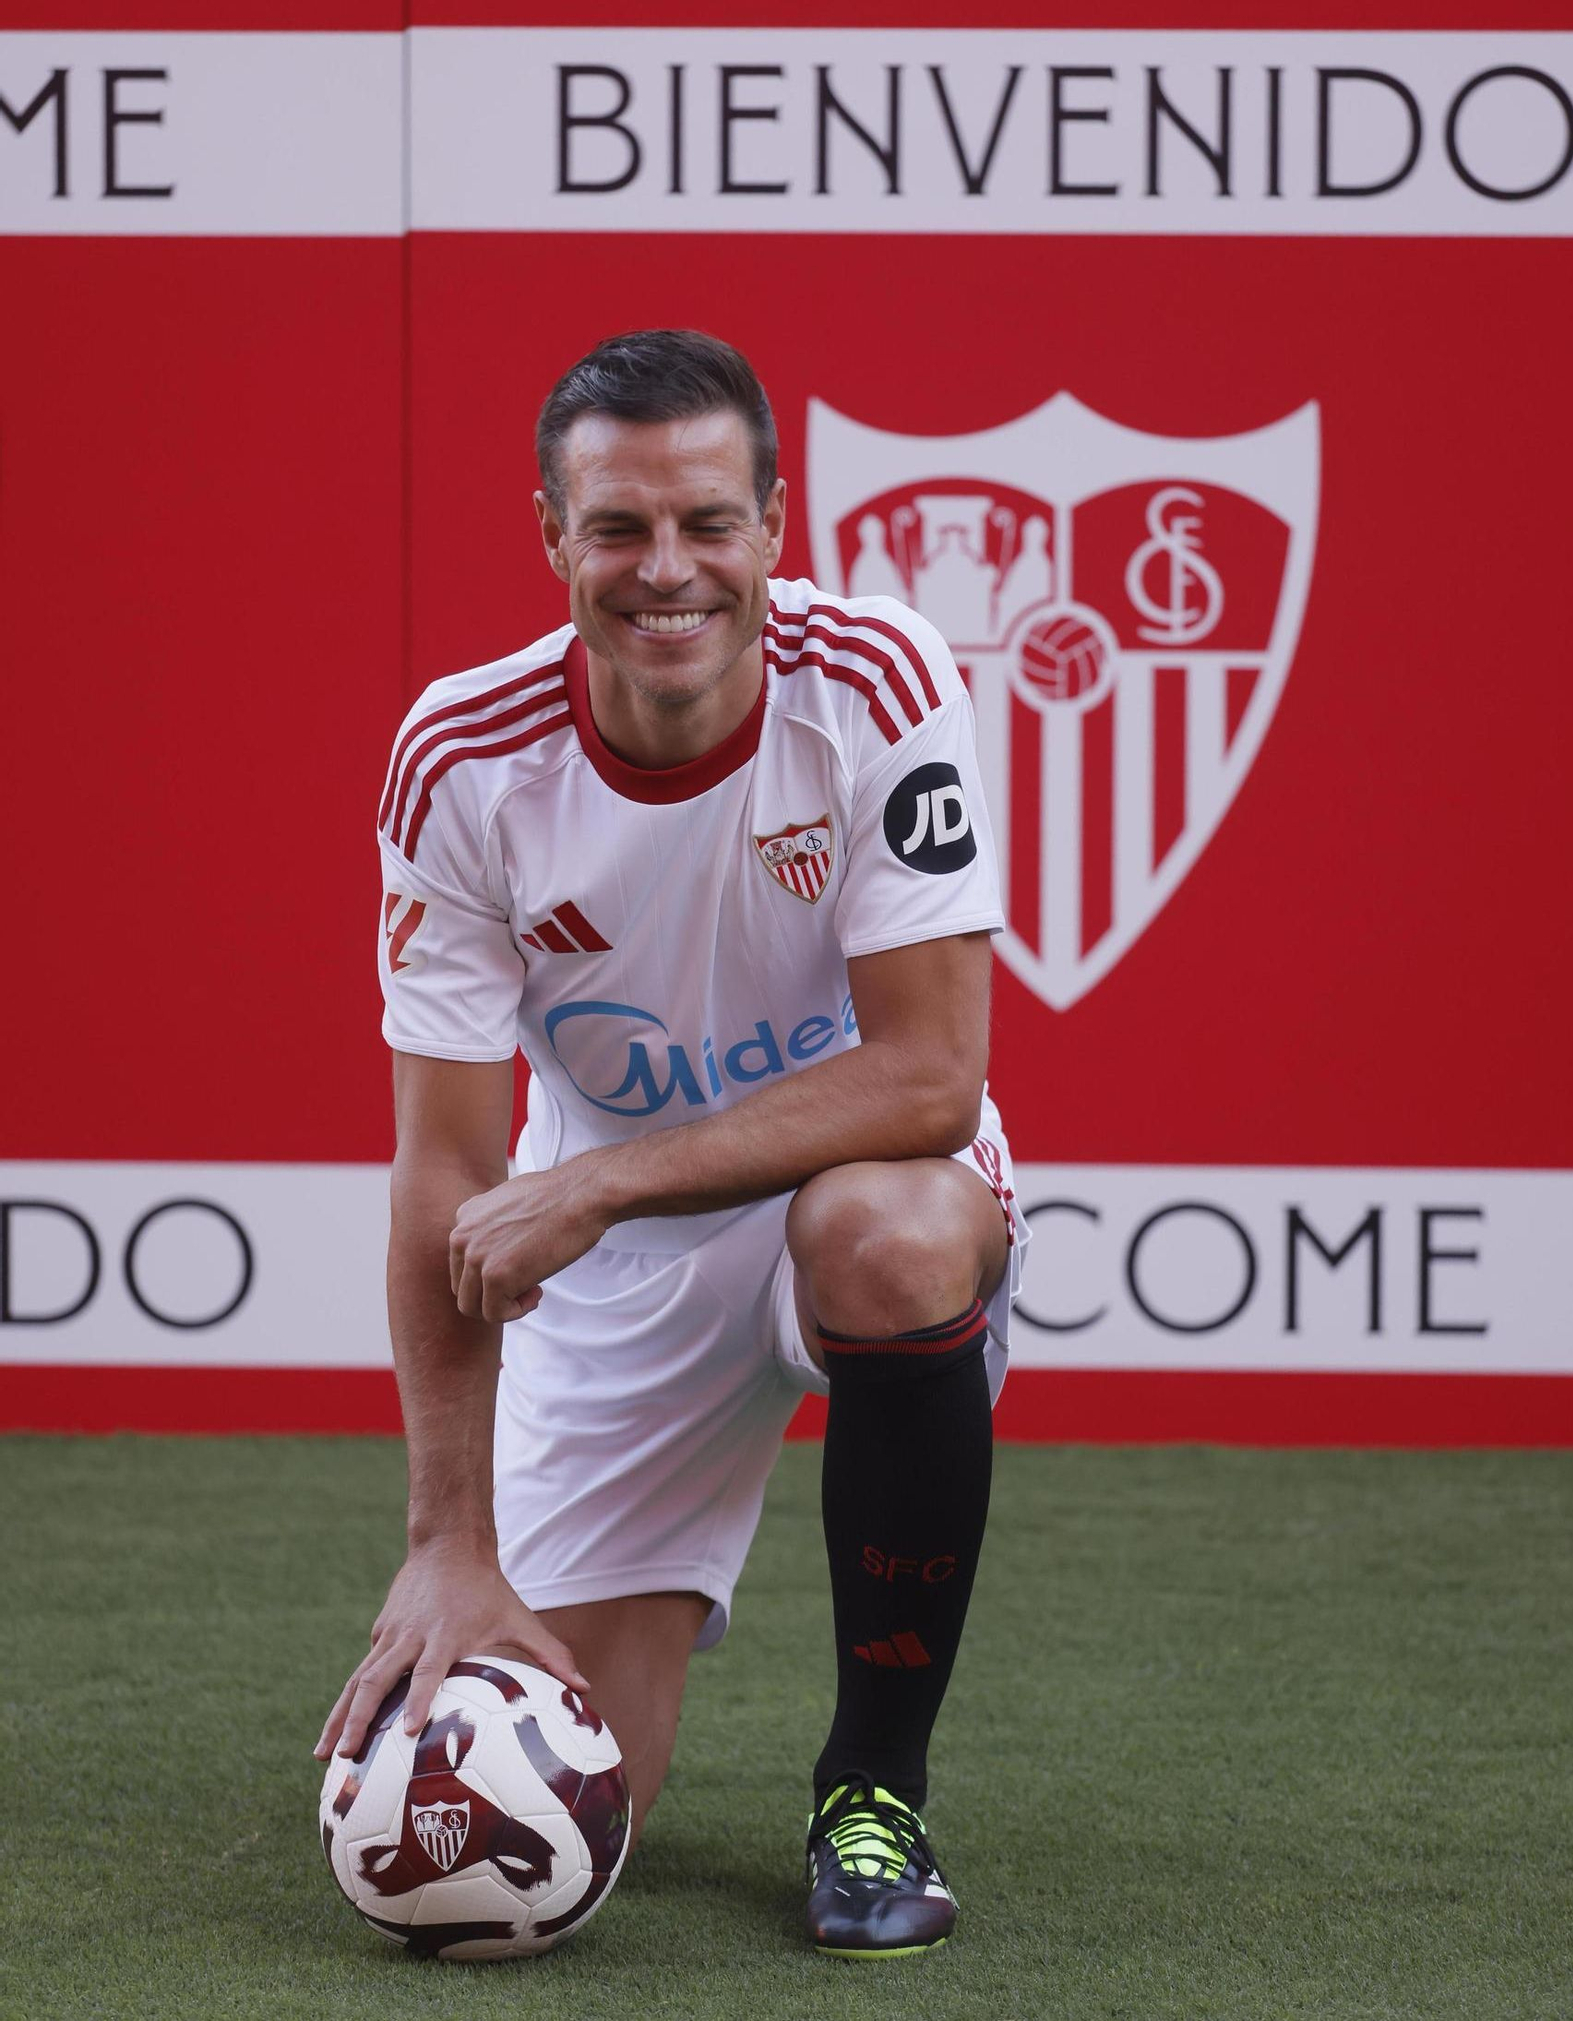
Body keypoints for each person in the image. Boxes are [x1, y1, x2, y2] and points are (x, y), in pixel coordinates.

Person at [313, 328, 1028, 1959]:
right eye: (621, 527)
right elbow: (441, 1171)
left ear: (776, 524)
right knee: (569, 1805)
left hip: (848, 1179)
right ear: (554, 539)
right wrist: (446, 1539)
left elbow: (928, 1075)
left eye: (709, 521)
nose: (668, 569)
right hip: (613, 1264)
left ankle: (875, 1786)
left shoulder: (882, 683)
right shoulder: (463, 757)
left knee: (884, 1237)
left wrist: (601, 1174)